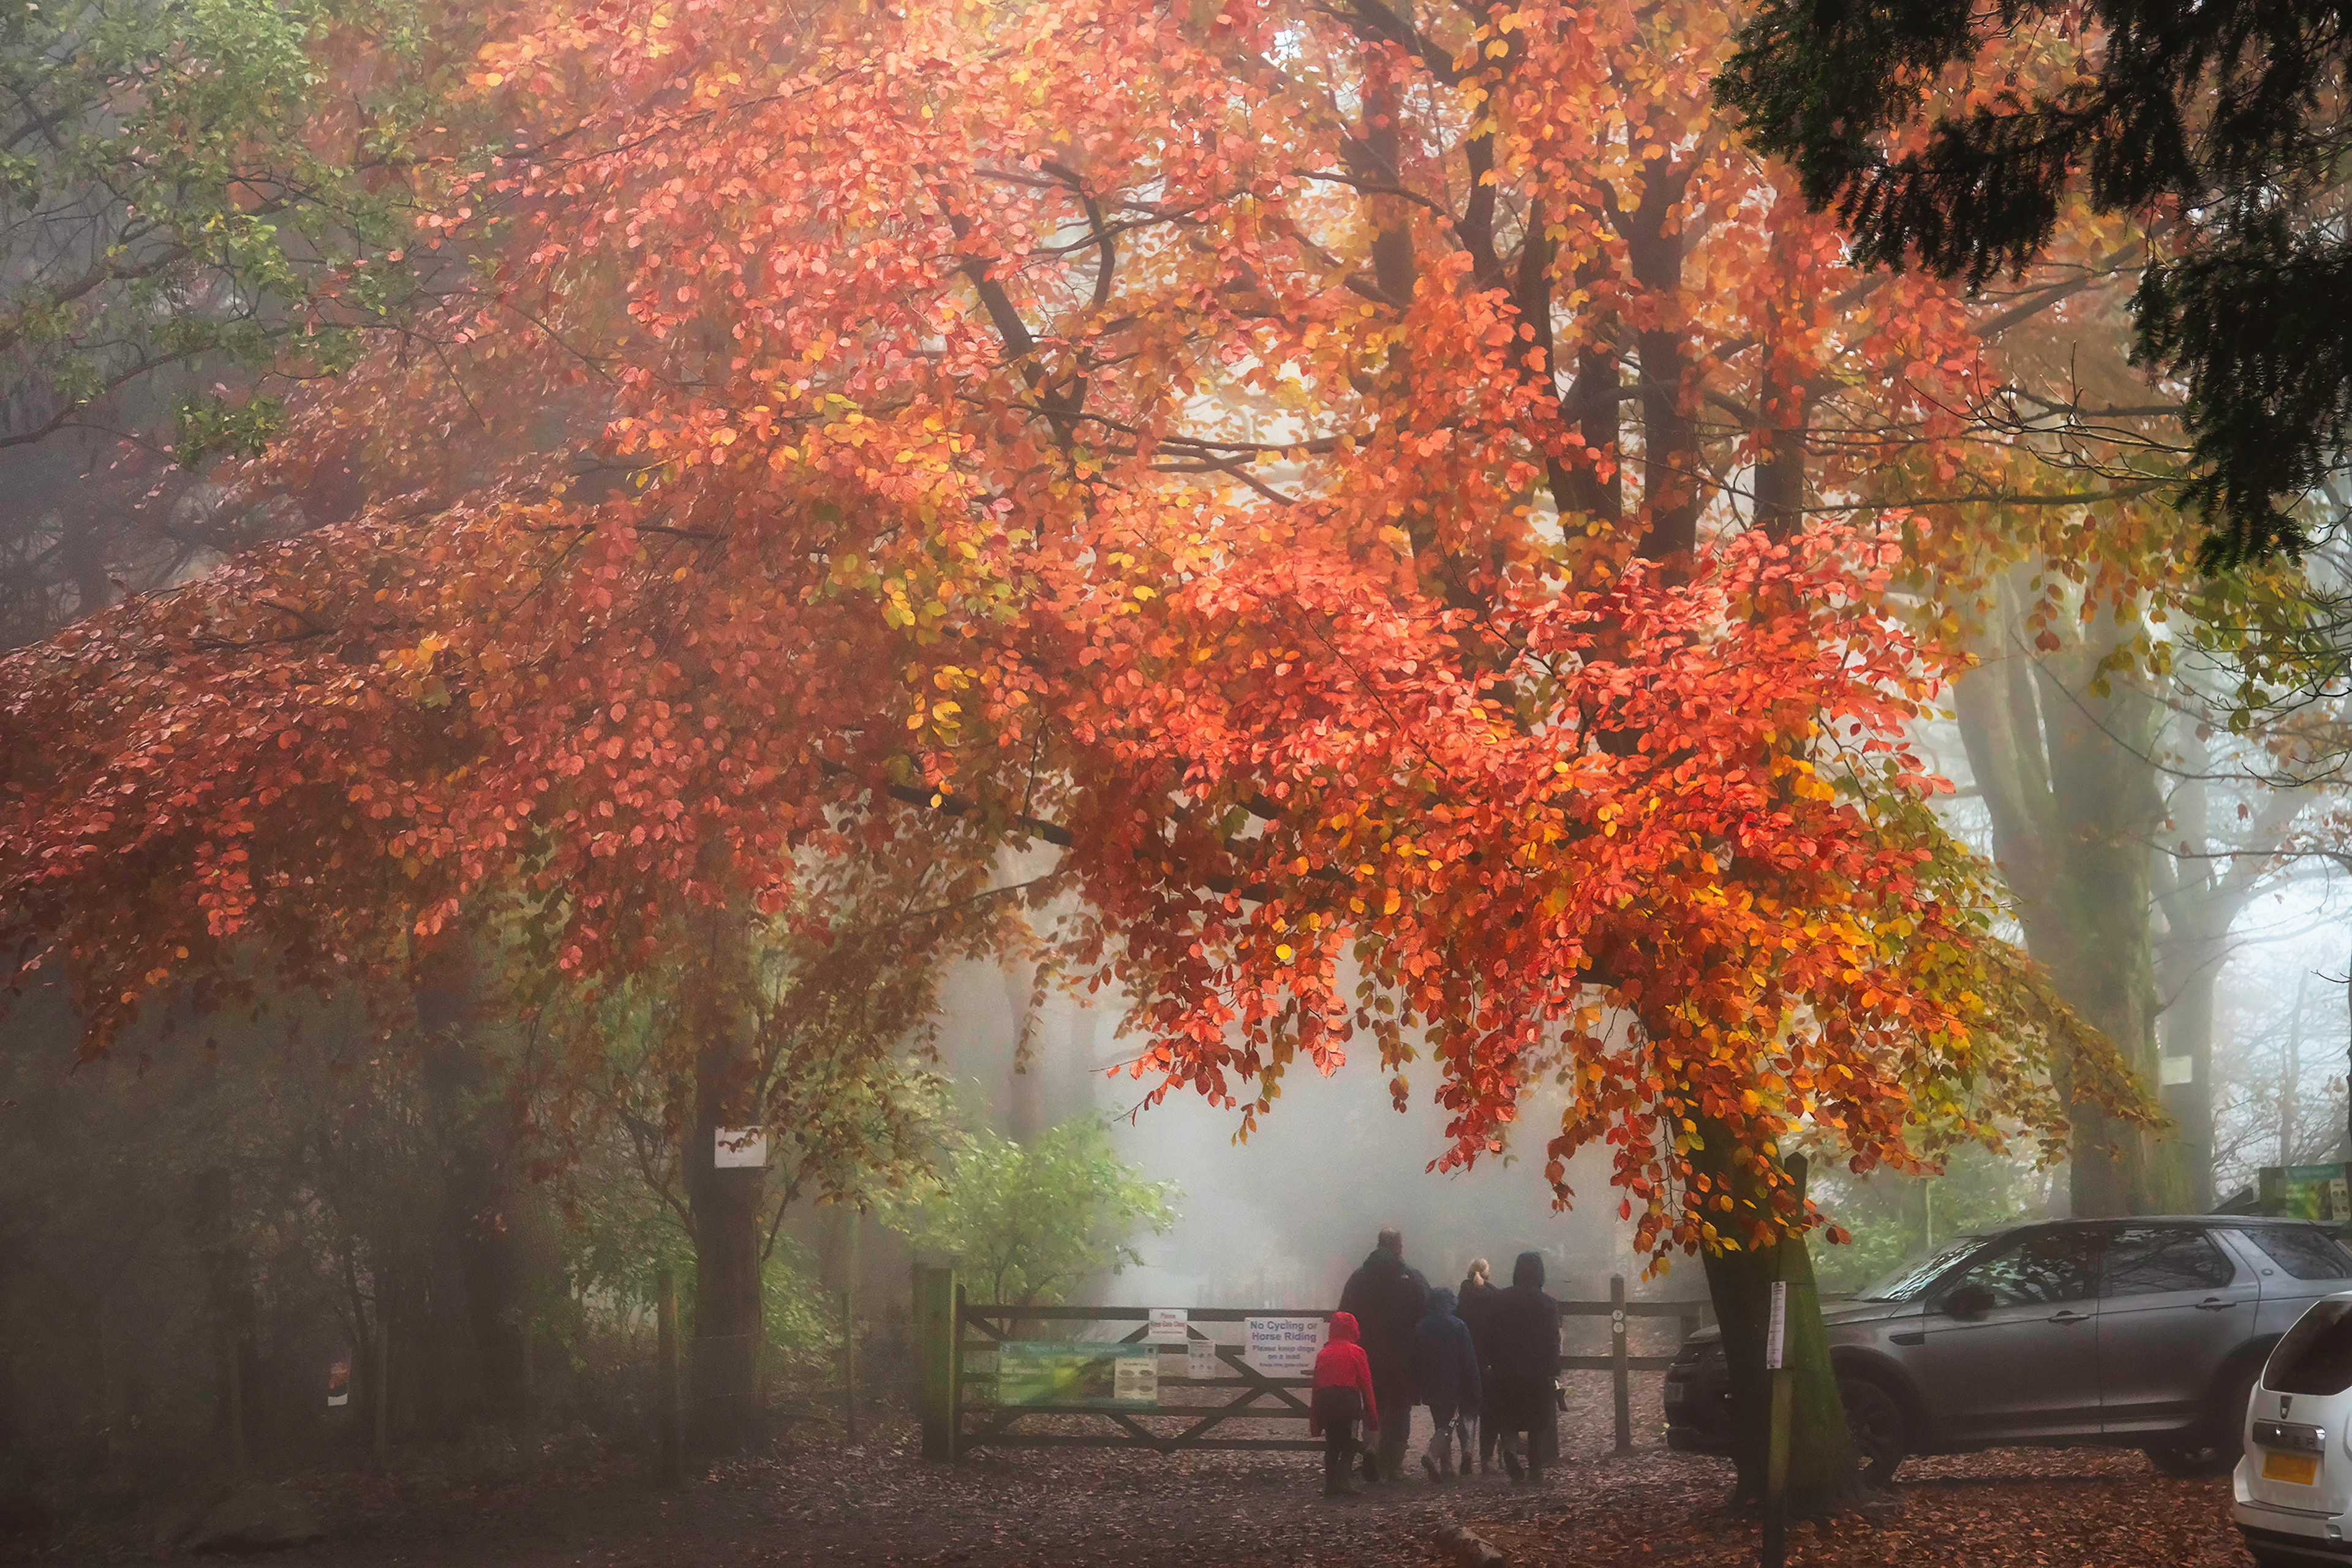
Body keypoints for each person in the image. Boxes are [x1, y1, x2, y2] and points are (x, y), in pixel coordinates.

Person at [1337, 1226, 1428, 1482]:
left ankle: (1371, 1450)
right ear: (1399, 1247)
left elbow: (1344, 1314)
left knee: (1371, 1405)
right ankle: (1394, 1464)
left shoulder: (1359, 1278)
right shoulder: (1412, 1279)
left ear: (1378, 1245)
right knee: (1400, 1409)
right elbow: (1427, 1314)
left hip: (1366, 1355)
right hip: (1403, 1357)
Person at [1485, 1251, 1561, 1483]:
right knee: (1538, 1420)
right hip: (1537, 1371)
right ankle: (1536, 1466)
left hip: (1504, 1369)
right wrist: (1554, 1368)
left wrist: (1489, 1361)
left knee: (1507, 1416)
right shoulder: (1547, 1304)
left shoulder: (1499, 1300)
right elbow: (1552, 1339)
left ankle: (1510, 1450)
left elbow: (1489, 1334)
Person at [1411, 1287, 1481, 1480]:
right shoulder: (1458, 1326)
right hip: (1455, 1382)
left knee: (1441, 1421)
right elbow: (1468, 1358)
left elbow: (1415, 1359)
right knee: (1452, 1421)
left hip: (1431, 1384)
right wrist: (1474, 1384)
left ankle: (1447, 1465)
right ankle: (1436, 1456)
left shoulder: (1421, 1327)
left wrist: (1417, 1386)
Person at [1309, 1310, 1380, 1497]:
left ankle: (1331, 1484)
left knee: (1332, 1444)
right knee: (1350, 1441)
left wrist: (1315, 1423)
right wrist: (1372, 1419)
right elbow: (1367, 1387)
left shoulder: (1323, 1354)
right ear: (1353, 1330)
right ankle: (1347, 1478)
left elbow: (1316, 1389)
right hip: (1349, 1403)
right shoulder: (1357, 1352)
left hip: (1326, 1402)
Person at [1455, 1257, 1502, 1474]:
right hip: (1489, 1360)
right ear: (1486, 1273)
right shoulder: (1495, 1296)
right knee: (1491, 1411)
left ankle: (1467, 1450)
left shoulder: (1462, 1296)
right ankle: (1486, 1459)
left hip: (1466, 1358)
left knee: (1468, 1408)